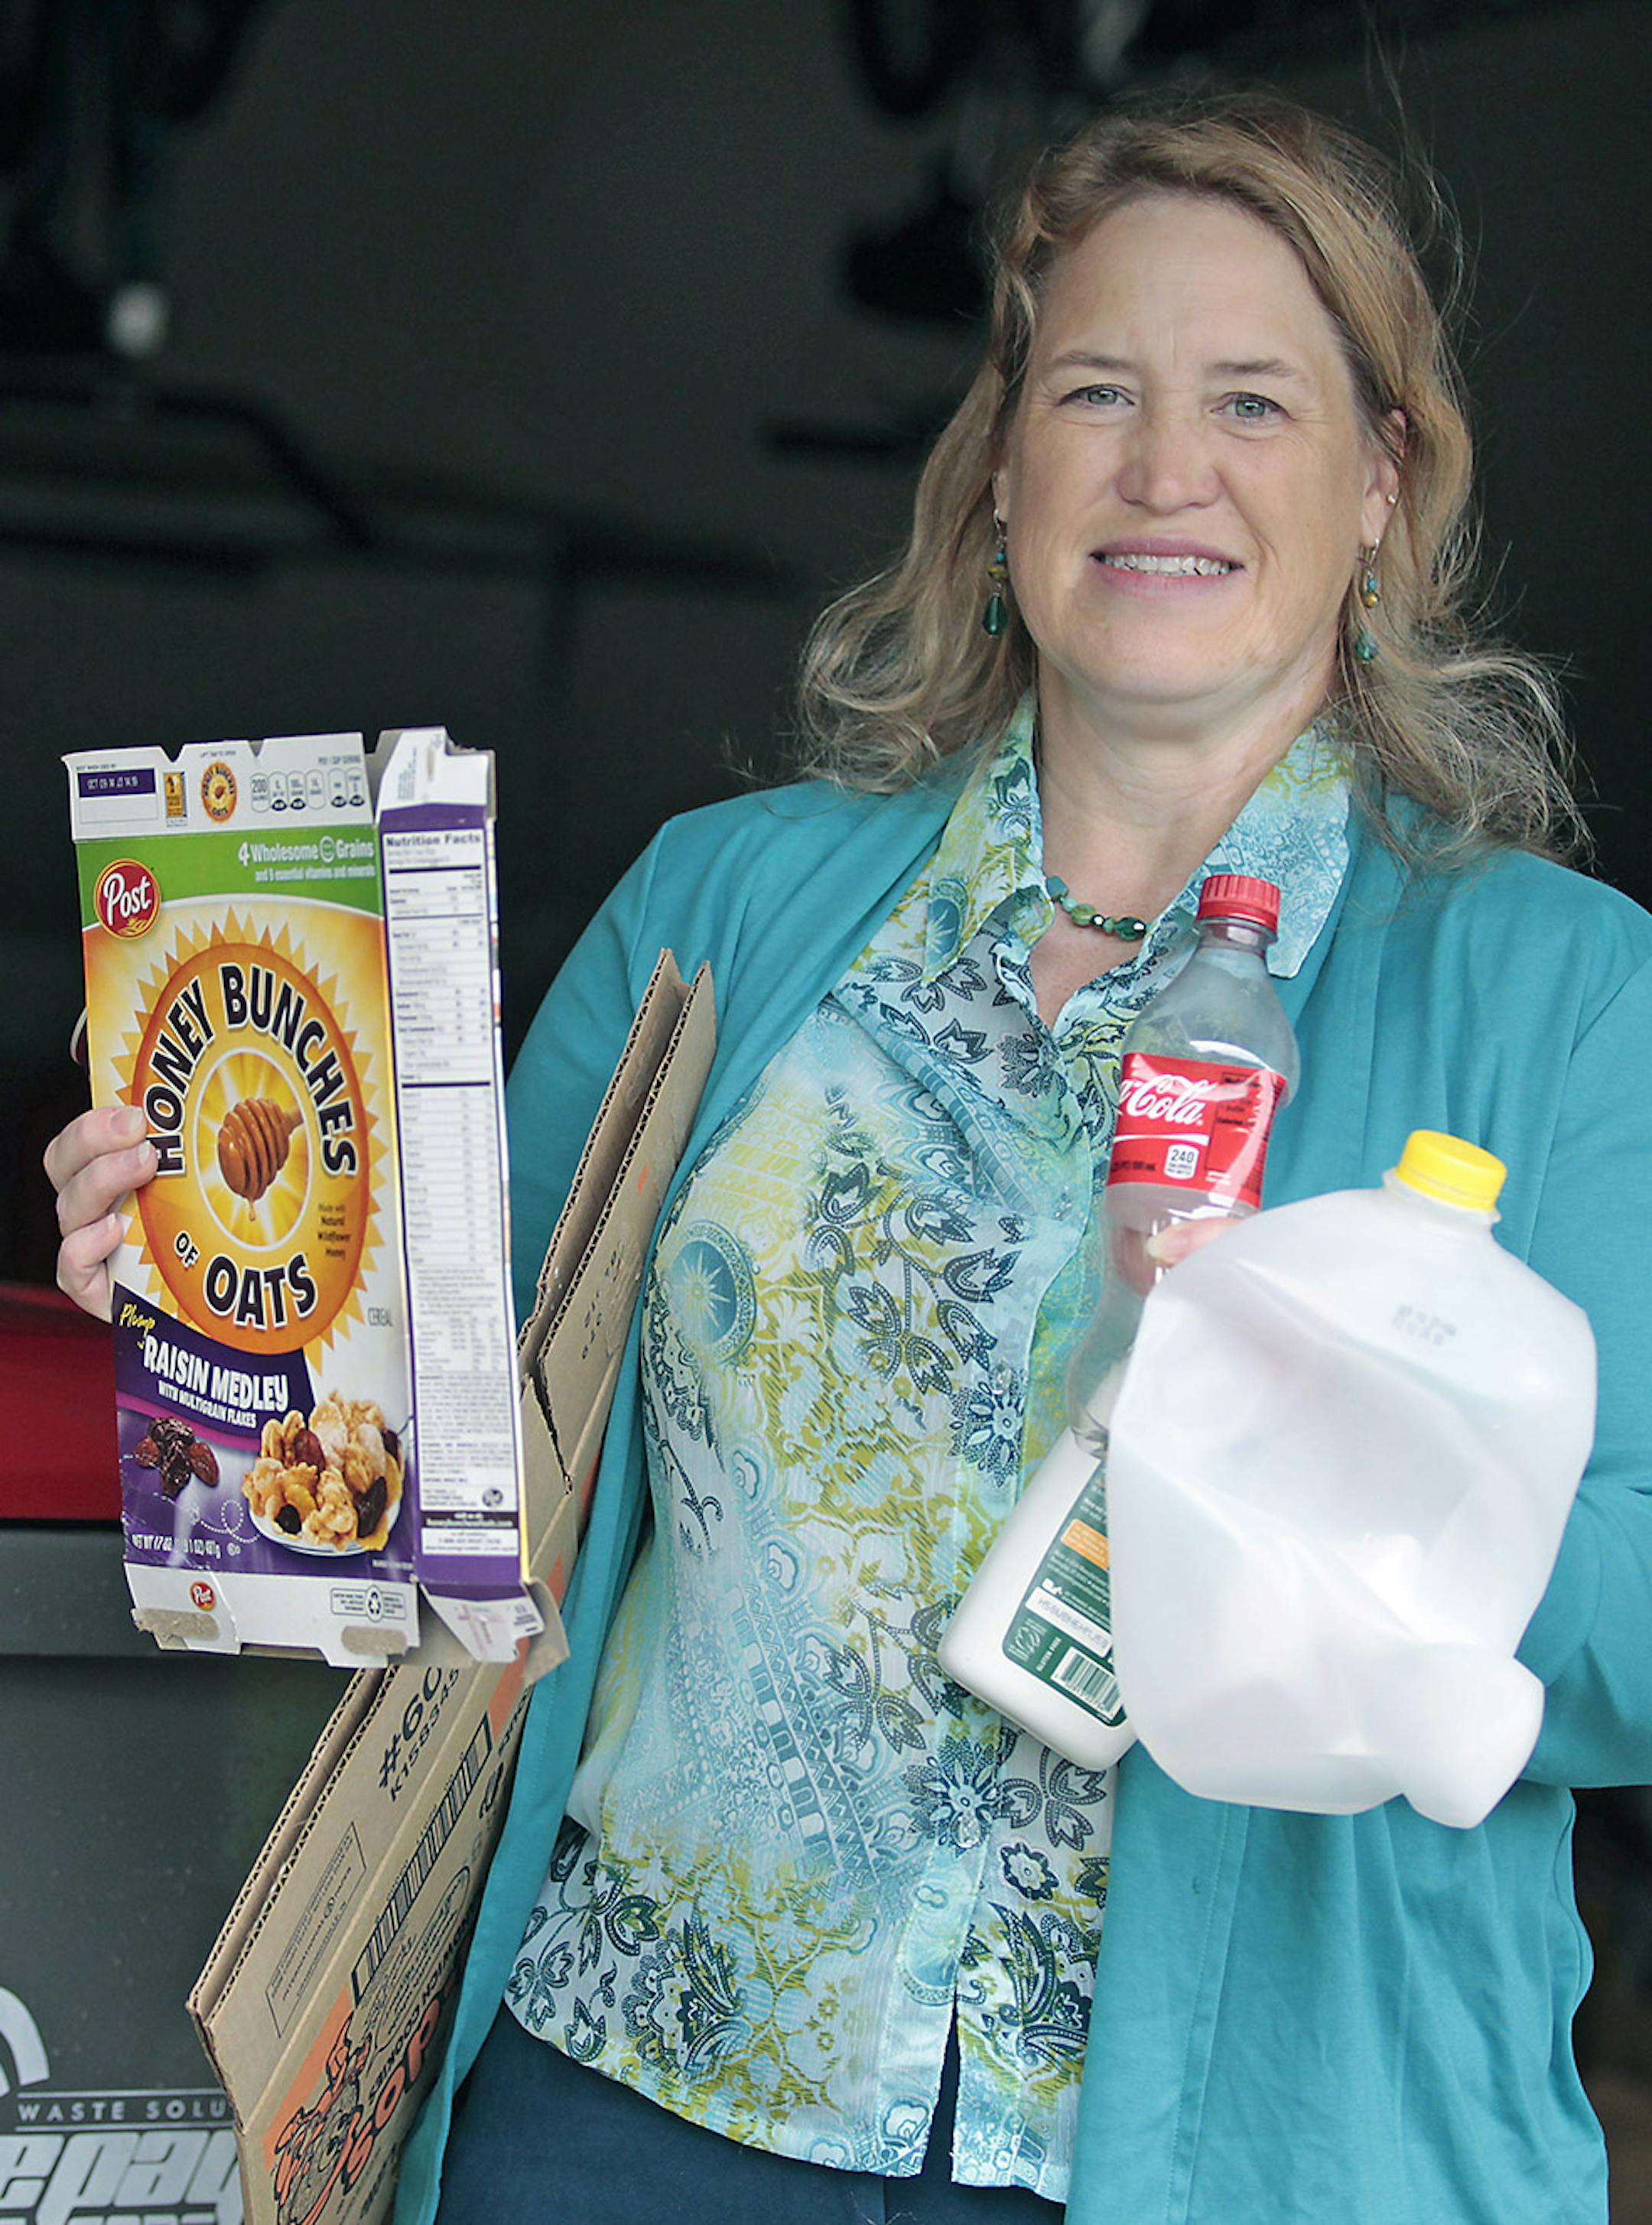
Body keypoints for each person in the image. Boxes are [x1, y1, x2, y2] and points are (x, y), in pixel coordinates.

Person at [47, 92, 1652, 2225]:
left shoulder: (1559, 995)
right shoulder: (727, 912)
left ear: (1378, 481)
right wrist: (230, 1305)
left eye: (1254, 400)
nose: (1168, 466)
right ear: (1003, 475)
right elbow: (421, 1487)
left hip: (1242, 2157)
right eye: (1098, 388)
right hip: (631, 2108)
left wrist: (1343, 1472)